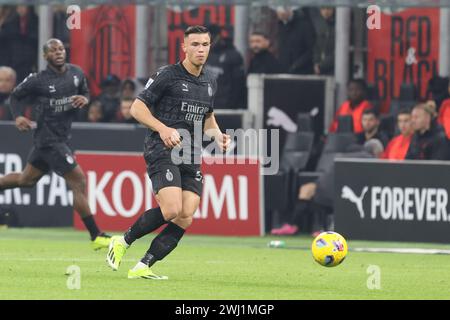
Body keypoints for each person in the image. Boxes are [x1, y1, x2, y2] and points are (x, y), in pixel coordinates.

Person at [106, 25, 231, 280]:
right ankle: (123, 240)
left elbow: (207, 117)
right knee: (171, 209)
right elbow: (137, 109)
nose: (200, 49)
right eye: (194, 44)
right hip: (162, 148)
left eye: (205, 44)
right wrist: (163, 129)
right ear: (184, 47)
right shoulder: (167, 75)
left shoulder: (210, 81)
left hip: (191, 153)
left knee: (186, 215)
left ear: (210, 47)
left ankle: (143, 266)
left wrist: (218, 135)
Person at [1, 39, 111, 249]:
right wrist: (17, 118)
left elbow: (86, 92)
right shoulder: (38, 80)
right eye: (53, 50)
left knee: (26, 180)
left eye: (61, 49)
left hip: (59, 138)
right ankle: (96, 235)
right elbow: (15, 96)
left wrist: (84, 99)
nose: (58, 53)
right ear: (45, 56)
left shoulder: (76, 73)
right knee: (78, 181)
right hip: (49, 139)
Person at [203, 25, 246, 109]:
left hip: (226, 107)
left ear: (219, 36)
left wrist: (231, 106)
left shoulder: (232, 55)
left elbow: (238, 84)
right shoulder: (203, 54)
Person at [275, 6, 314, 74]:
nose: (280, 14)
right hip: (283, 71)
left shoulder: (304, 25)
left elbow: (311, 50)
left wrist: (296, 65)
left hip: (302, 72)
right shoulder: (279, 26)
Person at [310, 7, 335, 75]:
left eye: (328, 8)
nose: (326, 12)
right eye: (323, 9)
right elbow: (317, 46)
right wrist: (316, 63)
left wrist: (321, 65)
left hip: (333, 68)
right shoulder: (319, 25)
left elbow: (338, 52)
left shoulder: (338, 26)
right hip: (319, 68)